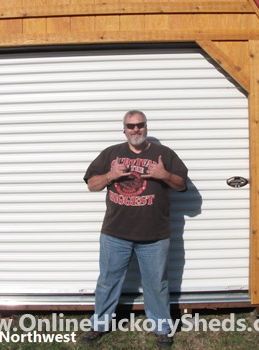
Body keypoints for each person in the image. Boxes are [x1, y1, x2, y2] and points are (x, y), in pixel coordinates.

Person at [81, 110, 188, 347]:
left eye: (140, 125)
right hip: (114, 234)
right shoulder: (111, 154)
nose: (136, 129)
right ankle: (99, 325)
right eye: (131, 126)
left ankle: (161, 327)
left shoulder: (164, 154)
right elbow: (91, 184)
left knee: (156, 283)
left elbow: (182, 185)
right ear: (124, 129)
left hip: (154, 235)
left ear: (146, 127)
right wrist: (110, 175)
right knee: (108, 281)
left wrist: (164, 175)